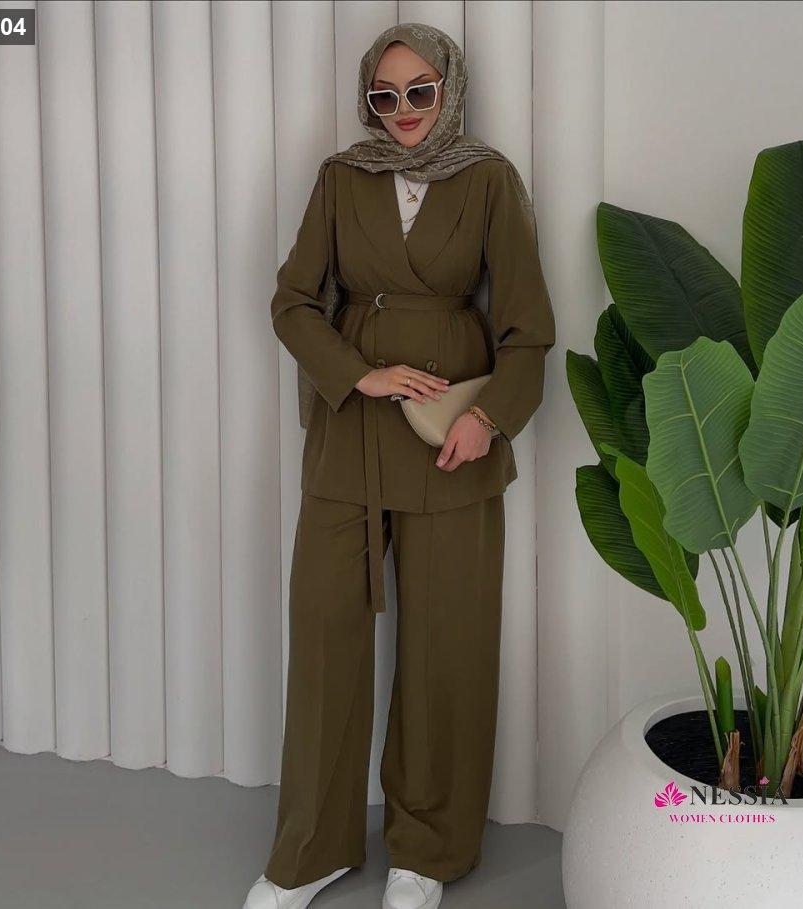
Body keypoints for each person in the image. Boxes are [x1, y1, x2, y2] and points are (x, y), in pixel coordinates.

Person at [243, 21, 556, 909]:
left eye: (421, 90)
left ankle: (428, 849)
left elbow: (529, 327)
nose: (405, 109)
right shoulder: (341, 176)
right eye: (386, 94)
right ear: (367, 99)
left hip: (450, 436)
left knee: (447, 642)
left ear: (449, 87)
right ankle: (309, 849)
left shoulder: (488, 179)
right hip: (350, 429)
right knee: (324, 636)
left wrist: (490, 419)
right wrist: (358, 372)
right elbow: (293, 300)